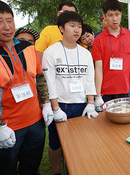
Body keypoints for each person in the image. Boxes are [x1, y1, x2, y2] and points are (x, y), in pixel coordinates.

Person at [0, 0, 53, 175]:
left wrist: (46, 104)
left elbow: (40, 78)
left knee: (31, 165)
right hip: (8, 127)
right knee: (6, 168)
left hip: (36, 123)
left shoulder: (28, 47)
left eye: (10, 20)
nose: (7, 26)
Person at [42, 11, 98, 174]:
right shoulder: (51, 52)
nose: (77, 30)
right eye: (72, 26)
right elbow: (49, 82)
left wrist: (91, 103)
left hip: (81, 106)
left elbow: (89, 79)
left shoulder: (86, 53)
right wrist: (56, 108)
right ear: (61, 28)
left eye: (79, 27)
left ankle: (78, 169)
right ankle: (56, 172)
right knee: (55, 143)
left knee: (81, 142)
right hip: (61, 106)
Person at [92, 0, 130, 111]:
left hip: (124, 89)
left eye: (117, 14)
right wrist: (98, 95)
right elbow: (98, 69)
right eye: (110, 15)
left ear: (121, 15)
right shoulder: (98, 40)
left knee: (124, 120)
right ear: (104, 16)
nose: (114, 19)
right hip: (105, 91)